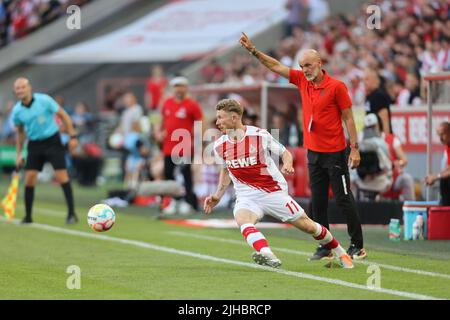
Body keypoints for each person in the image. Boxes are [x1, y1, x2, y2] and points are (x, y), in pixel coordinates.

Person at [239, 33, 366, 260]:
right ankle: (326, 246)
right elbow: (276, 66)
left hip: (336, 152)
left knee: (343, 198)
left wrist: (354, 148)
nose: (305, 69)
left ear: (319, 64)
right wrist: (254, 51)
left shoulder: (336, 86)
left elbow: (348, 117)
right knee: (317, 202)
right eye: (301, 66)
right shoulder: (301, 81)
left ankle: (358, 245)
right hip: (314, 152)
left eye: (308, 65)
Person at [204, 99, 354, 269]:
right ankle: (268, 255)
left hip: (272, 192)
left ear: (233, 118)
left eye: (220, 118)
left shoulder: (259, 135)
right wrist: (217, 195)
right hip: (246, 195)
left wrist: (287, 164)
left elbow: (285, 153)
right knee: (242, 220)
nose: (216, 123)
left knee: (309, 226)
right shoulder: (219, 146)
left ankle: (341, 253)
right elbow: (226, 171)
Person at [11, 77, 79, 224]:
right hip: (34, 144)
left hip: (52, 141)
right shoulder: (17, 111)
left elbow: (64, 116)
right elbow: (20, 133)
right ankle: (28, 216)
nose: (20, 90)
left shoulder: (44, 100)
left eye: (23, 87)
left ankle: (71, 213)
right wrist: (19, 155)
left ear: (29, 88)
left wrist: (73, 135)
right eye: (17, 88)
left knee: (62, 176)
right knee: (29, 179)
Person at [159, 76, 203, 215]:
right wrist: (160, 132)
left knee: (186, 176)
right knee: (168, 175)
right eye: (176, 86)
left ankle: (188, 203)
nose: (179, 89)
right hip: (168, 147)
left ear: (186, 88)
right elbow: (163, 121)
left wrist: (198, 141)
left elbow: (200, 122)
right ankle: (173, 201)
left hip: (184, 147)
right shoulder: (167, 103)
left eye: (181, 86)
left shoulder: (191, 104)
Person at [351, 114, 393, 198]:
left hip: (361, 183)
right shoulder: (382, 143)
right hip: (380, 183)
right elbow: (388, 166)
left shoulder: (356, 143)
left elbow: (351, 167)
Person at [425, 122, 450, 206]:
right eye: (439, 135)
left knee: (444, 180)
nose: (441, 138)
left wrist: (436, 177)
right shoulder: (448, 146)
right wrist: (434, 177)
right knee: (444, 179)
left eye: (443, 134)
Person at [363, 69, 392, 134]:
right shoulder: (369, 96)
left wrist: (385, 139)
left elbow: (384, 119)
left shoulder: (379, 96)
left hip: (379, 137)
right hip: (371, 136)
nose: (364, 82)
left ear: (375, 80)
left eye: (367, 79)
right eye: (363, 80)